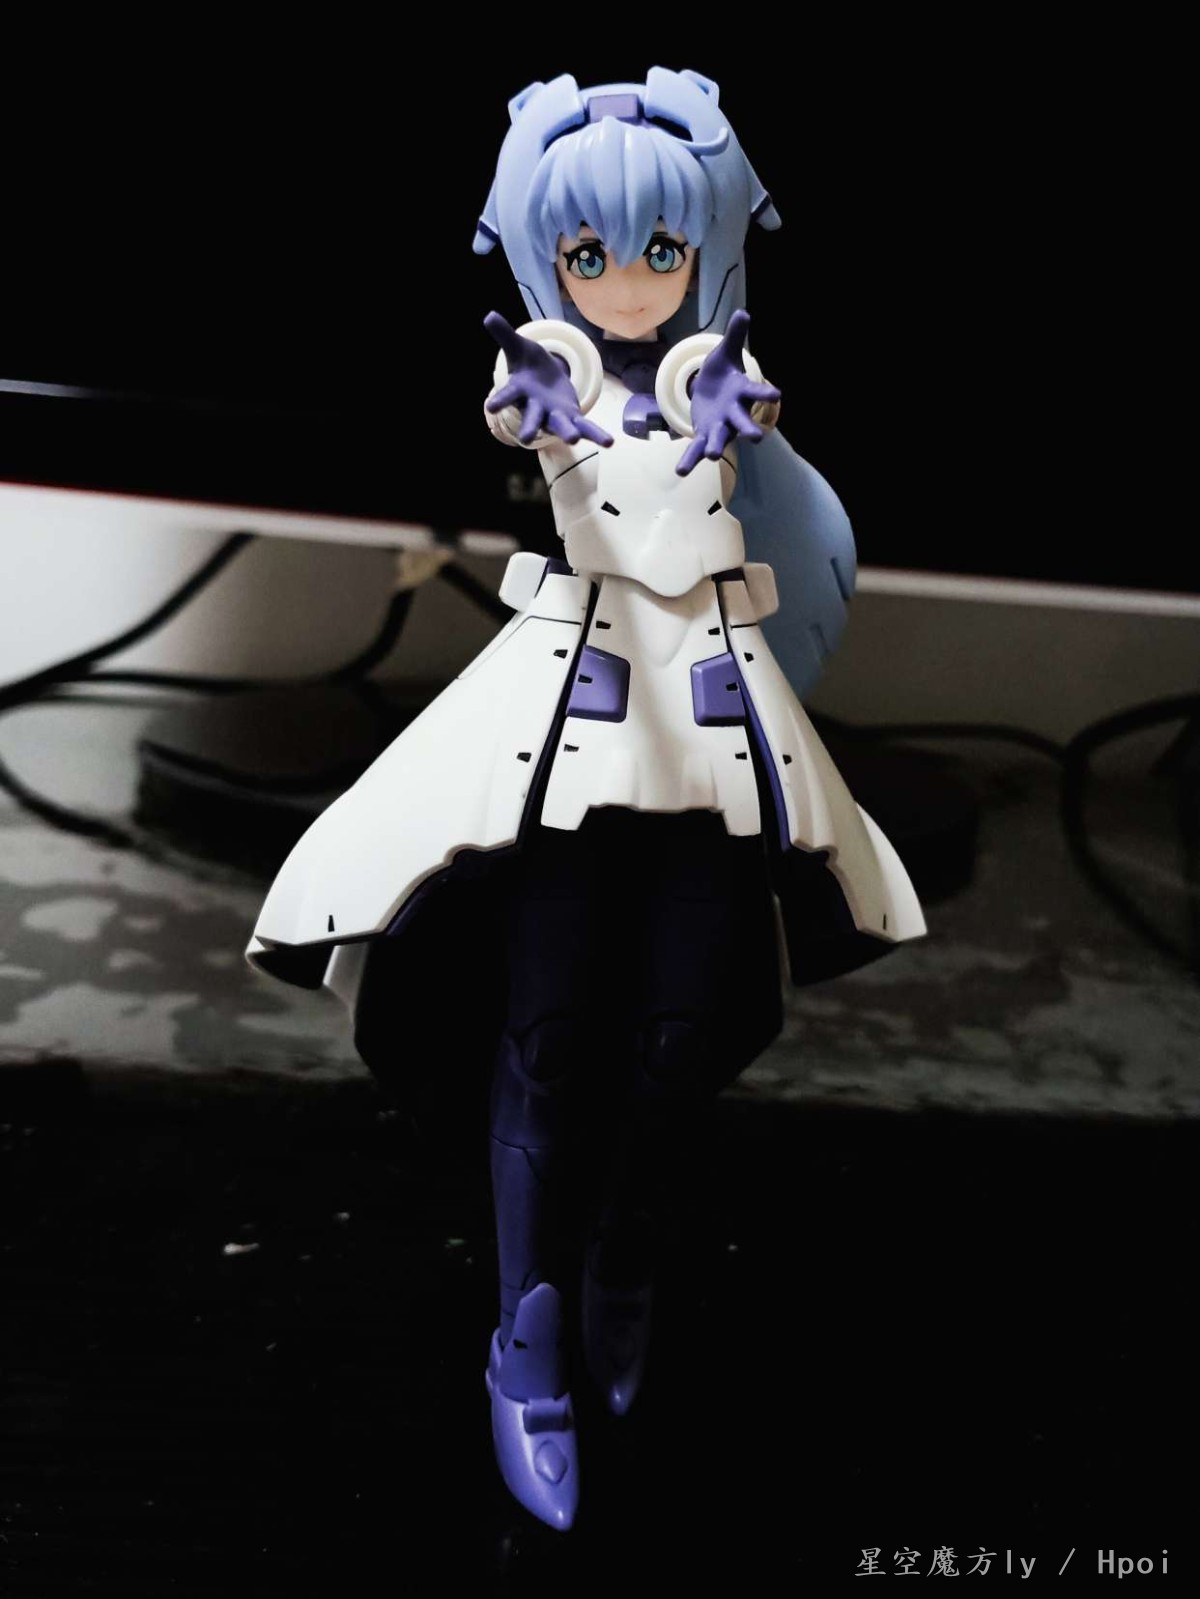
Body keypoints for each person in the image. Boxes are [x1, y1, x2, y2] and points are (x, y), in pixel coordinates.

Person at [248, 66, 924, 1532]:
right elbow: (522, 409)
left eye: (660, 249)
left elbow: (748, 427)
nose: (627, 283)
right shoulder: (550, 376)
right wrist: (541, 401)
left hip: (712, 728)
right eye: (590, 253)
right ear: (546, 257)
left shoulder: (718, 379)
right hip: (575, 725)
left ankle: (625, 1252)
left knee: (680, 1032)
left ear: (706, 243)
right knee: (550, 1037)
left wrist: (739, 407)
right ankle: (527, 1336)